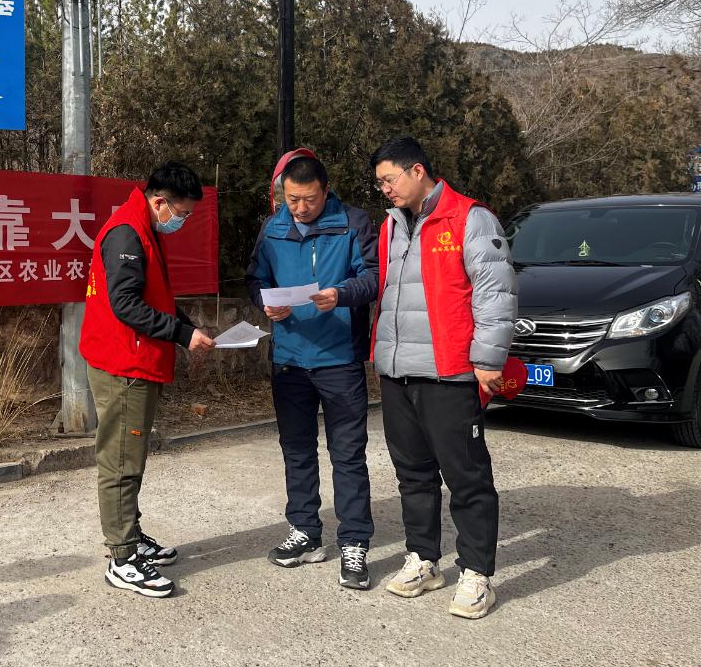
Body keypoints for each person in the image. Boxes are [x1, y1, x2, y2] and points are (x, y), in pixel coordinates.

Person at [368, 136, 516, 619]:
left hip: (449, 371)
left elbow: (495, 293)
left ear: (417, 171)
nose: (385, 189)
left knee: (466, 475)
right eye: (380, 183)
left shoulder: (470, 218)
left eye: (389, 179)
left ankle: (476, 573)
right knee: (412, 473)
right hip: (397, 370)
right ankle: (423, 559)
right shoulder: (391, 226)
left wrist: (488, 358)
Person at [79, 161, 215, 598]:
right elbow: (126, 305)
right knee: (121, 461)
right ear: (160, 202)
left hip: (134, 360)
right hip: (123, 364)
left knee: (129, 456)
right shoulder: (127, 233)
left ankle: (131, 536)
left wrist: (187, 327)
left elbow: (156, 295)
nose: (183, 221)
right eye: (182, 213)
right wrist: (181, 333)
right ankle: (122, 558)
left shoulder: (142, 227)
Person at [245, 148, 379, 589]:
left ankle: (354, 541)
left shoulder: (353, 223)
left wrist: (341, 294)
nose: (300, 208)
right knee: (296, 449)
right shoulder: (273, 227)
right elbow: (255, 278)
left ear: (326, 190)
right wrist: (266, 303)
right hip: (289, 358)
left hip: (338, 359)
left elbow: (374, 276)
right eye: (292, 199)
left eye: (309, 199)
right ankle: (304, 530)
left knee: (348, 453)